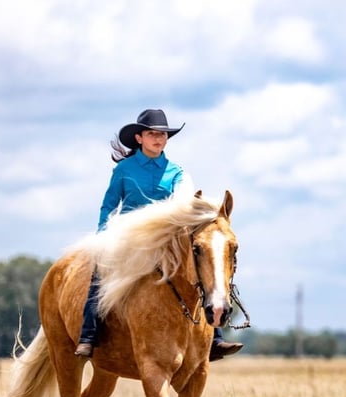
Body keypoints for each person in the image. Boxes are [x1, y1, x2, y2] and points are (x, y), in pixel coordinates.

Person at [74, 108, 243, 362]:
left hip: (164, 241)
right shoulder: (124, 170)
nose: (159, 139)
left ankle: (214, 338)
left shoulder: (177, 172)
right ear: (140, 138)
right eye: (153, 134)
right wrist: (102, 237)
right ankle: (89, 335)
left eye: (163, 135)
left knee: (199, 269)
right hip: (127, 240)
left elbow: (183, 202)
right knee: (99, 274)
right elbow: (109, 206)